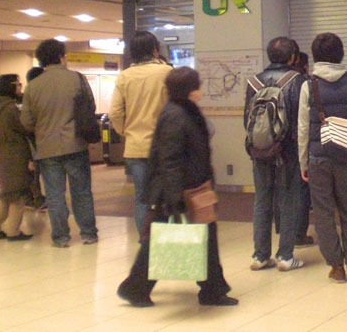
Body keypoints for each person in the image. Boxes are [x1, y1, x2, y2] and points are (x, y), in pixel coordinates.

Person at [117, 67, 237, 307]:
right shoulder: (176, 115)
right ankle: (136, 287)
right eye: (197, 85)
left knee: (203, 237)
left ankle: (211, 289)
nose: (201, 89)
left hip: (194, 187)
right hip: (179, 190)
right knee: (164, 240)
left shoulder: (184, 110)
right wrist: (174, 197)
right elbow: (169, 158)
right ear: (189, 89)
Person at [298, 32, 347, 283]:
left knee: (324, 213)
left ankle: (336, 267)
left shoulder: (309, 85)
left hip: (318, 158)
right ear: (341, 53)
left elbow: (303, 128)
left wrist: (302, 162)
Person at [20, 39, 98, 247]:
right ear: (61, 56)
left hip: (47, 148)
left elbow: (26, 121)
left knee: (55, 195)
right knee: (81, 191)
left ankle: (61, 237)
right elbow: (90, 107)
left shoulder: (33, 86)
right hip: (75, 144)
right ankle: (88, 233)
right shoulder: (77, 79)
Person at [244, 37, 305, 271]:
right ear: (292, 57)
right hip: (287, 150)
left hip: (260, 150)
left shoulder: (253, 82)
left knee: (262, 200)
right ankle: (285, 256)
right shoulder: (297, 81)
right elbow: (300, 122)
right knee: (288, 200)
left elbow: (246, 120)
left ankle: (260, 256)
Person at [110, 31, 172, 235]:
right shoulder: (166, 73)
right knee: (166, 196)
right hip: (164, 146)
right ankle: (165, 242)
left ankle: (145, 242)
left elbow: (115, 112)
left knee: (142, 198)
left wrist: (126, 131)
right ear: (155, 50)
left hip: (136, 147)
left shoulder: (124, 77)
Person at [0, 74, 33, 241]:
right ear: (10, 87)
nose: (21, 87)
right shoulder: (10, 108)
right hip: (15, 155)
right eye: (18, 84)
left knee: (6, 194)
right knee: (18, 194)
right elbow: (25, 127)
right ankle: (13, 230)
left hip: (3, 154)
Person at [292, 50, 314, 247]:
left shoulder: (274, 81)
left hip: (277, 146)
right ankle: (299, 234)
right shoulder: (305, 84)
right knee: (302, 190)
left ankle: (286, 233)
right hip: (300, 144)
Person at [25, 66, 46, 211]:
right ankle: (35, 198)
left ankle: (36, 198)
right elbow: (28, 122)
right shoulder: (31, 96)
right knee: (34, 171)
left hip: (37, 140)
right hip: (32, 141)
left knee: (36, 171)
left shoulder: (30, 94)